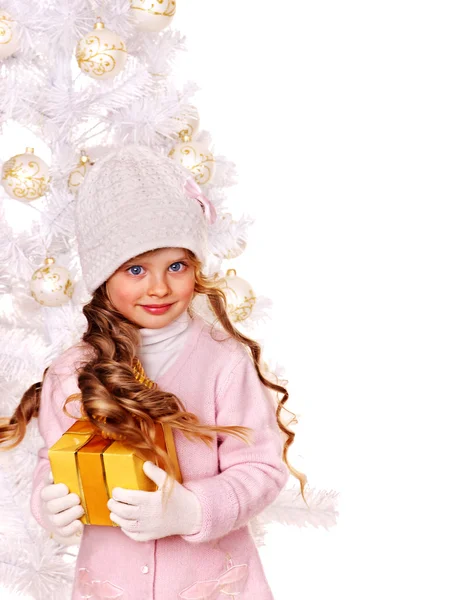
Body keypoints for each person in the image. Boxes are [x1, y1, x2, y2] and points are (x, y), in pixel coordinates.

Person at [0, 145, 307, 599]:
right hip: (112, 584)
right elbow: (56, 460)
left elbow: (261, 467)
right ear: (104, 276)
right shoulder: (72, 372)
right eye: (137, 269)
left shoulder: (223, 361)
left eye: (176, 266)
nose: (159, 287)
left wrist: (193, 510)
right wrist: (52, 504)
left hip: (212, 585)